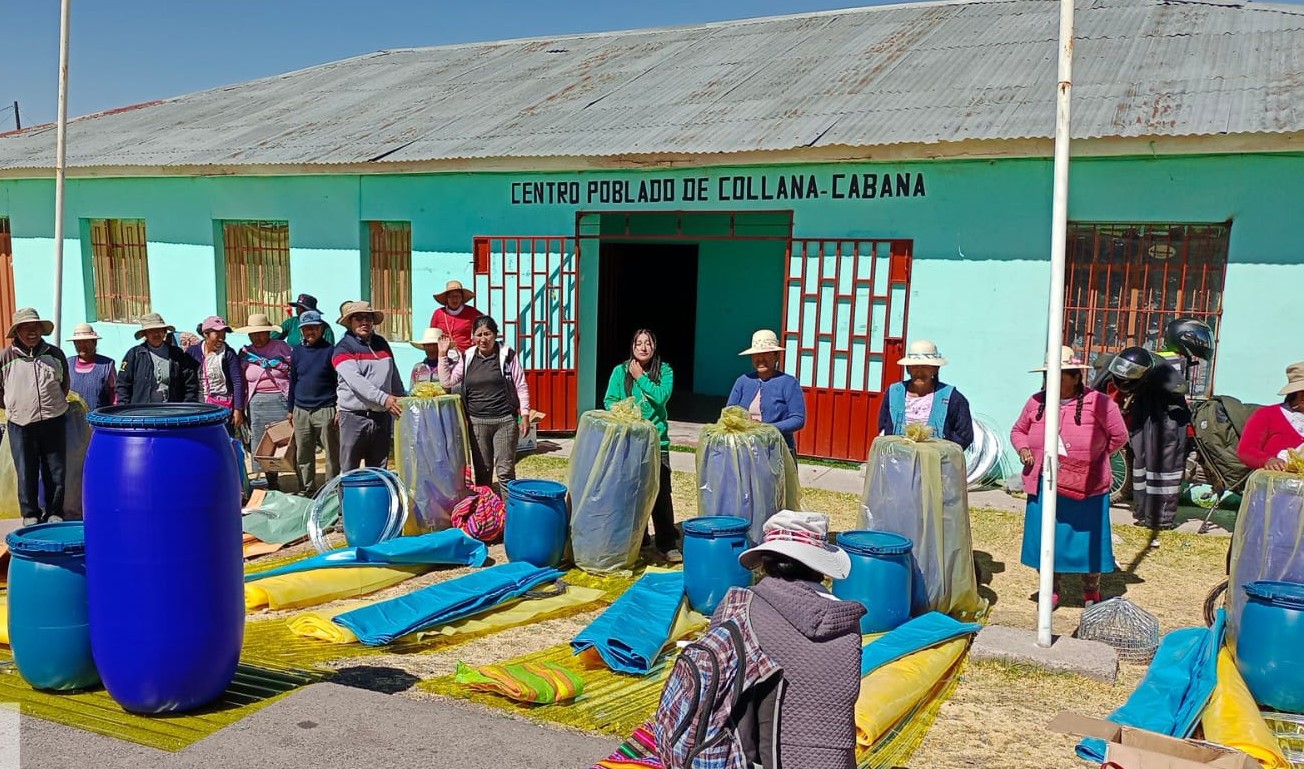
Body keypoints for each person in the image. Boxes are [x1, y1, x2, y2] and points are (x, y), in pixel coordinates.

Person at [659, 510, 864, 769]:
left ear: (765, 560)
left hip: (750, 759)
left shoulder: (737, 607)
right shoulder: (848, 622)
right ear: (819, 565)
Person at [1011, 346, 1128, 608]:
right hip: (1045, 481)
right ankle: (1051, 589)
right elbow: (1018, 430)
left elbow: (1119, 436)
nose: (1053, 381)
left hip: (1087, 484)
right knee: (1046, 537)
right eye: (1050, 375)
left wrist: (1096, 457)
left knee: (1089, 538)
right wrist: (1024, 448)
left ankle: (1091, 591)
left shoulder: (1100, 403)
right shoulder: (1035, 402)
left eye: (1061, 375)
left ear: (1076, 376)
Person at [603, 329, 678, 562]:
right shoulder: (619, 371)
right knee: (632, 490)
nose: (643, 347)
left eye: (648, 343)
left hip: (657, 442)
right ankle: (639, 538)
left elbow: (661, 396)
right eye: (638, 343)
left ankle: (666, 542)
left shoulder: (664, 370)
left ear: (654, 347)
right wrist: (624, 413)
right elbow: (609, 400)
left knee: (660, 491)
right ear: (632, 346)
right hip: (629, 440)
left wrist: (640, 377)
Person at [437, 315, 529, 492]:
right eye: (478, 334)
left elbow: (521, 385)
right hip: (477, 423)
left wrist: (524, 414)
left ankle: (510, 515)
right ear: (473, 337)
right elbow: (447, 383)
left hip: (505, 421)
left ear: (496, 335)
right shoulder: (468, 356)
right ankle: (485, 515)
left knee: (505, 472)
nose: (483, 339)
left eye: (487, 334)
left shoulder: (507, 355)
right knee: (482, 472)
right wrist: (442, 354)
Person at [1108, 345, 1191, 538]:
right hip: (1143, 412)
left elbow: (1180, 389)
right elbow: (1103, 378)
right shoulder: (1122, 364)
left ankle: (1161, 517)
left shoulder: (1164, 372)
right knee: (1141, 462)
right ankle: (1143, 513)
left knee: (1164, 466)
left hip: (1167, 418)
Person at [0, 308, 71, 525]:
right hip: (20, 423)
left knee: (56, 470)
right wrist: (14, 406)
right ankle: (30, 514)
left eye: (35, 327)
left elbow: (64, 385)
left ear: (41, 330)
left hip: (53, 419)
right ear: (17, 332)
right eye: (26, 328)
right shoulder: (5, 357)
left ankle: (54, 512)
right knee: (26, 470)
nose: (32, 332)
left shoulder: (55, 354)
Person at [334, 300, 406, 471]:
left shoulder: (381, 343)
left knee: (379, 468)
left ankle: (376, 499)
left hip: (382, 417)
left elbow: (393, 374)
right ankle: (347, 499)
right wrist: (385, 399)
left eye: (368, 318)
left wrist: (401, 398)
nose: (364, 322)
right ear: (350, 323)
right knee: (349, 468)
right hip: (354, 417)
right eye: (358, 318)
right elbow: (356, 381)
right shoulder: (342, 348)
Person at [878, 339, 974, 450]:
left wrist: (942, 454)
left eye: (925, 366)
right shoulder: (894, 393)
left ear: (935, 369)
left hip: (936, 463)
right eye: (914, 366)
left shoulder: (951, 397)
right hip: (897, 461)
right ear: (908, 369)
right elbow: (883, 427)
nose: (919, 372)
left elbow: (964, 435)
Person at [726, 329, 806, 458]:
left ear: (776, 356)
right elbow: (729, 413)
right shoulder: (742, 381)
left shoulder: (789, 383)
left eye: (766, 354)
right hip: (744, 449)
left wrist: (766, 428)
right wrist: (743, 422)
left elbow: (798, 419)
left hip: (778, 451)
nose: (761, 359)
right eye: (756, 354)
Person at [237, 313, 293, 491]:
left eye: (261, 333)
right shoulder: (245, 353)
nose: (258, 337)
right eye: (254, 334)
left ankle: (296, 476)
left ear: (269, 333)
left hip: (280, 398)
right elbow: (241, 380)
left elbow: (294, 370)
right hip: (257, 402)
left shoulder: (282, 347)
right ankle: (271, 481)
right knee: (262, 443)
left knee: (285, 440)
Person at [287, 310, 339, 495]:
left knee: (332, 454)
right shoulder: (298, 352)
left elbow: (338, 382)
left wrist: (338, 408)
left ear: (321, 329)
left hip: (325, 408)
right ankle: (306, 489)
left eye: (314, 328)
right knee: (303, 453)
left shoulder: (331, 351)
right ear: (301, 330)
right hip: (300, 410)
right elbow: (293, 380)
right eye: (306, 328)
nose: (310, 331)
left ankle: (331, 491)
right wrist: (290, 408)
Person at [117, 313, 200, 404]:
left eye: (159, 330)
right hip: (141, 413)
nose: (156, 334)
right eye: (151, 331)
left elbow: (190, 384)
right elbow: (123, 385)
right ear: (145, 334)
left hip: (172, 413)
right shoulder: (134, 355)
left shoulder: (177, 355)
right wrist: (125, 409)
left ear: (164, 332)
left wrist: (186, 407)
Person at [1238, 361, 1304, 471]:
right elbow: (1246, 450)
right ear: (1301, 394)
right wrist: (1268, 460)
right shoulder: (1267, 415)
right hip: (1275, 485)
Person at [185, 316, 245, 430]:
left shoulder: (228, 354)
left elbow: (237, 382)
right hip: (198, 406)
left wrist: (238, 409)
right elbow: (186, 381)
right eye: (217, 334)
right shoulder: (192, 352)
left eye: (223, 335)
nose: (221, 339)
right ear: (206, 334)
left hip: (222, 407)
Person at [66, 323, 116, 411]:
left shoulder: (106, 365)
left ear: (94, 342)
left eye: (86, 342)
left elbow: (114, 395)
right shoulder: (68, 364)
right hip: (73, 420)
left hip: (99, 419)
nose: (82, 346)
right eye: (78, 342)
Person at [429, 280, 483, 355]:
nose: (455, 299)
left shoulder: (472, 313)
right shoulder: (438, 313)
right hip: (442, 355)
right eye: (451, 296)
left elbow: (485, 326)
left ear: (462, 298)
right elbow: (431, 336)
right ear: (446, 298)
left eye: (457, 296)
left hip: (465, 355)